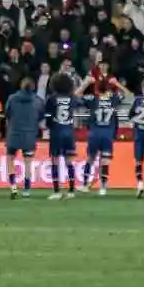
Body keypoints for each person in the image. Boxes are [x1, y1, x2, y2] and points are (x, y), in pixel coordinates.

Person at [84, 75, 128, 196]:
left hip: (94, 134)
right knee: (105, 161)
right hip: (108, 134)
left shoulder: (93, 98)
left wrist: (86, 83)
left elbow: (76, 95)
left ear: (97, 90)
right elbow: (129, 95)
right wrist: (117, 83)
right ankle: (103, 187)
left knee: (90, 159)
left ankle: (84, 184)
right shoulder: (113, 99)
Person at [4, 78, 43, 198]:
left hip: (13, 134)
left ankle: (13, 186)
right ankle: (26, 188)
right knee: (28, 162)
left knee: (10, 159)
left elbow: (7, 113)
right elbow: (41, 116)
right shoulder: (37, 100)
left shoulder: (12, 98)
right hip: (30, 135)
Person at [45, 72, 81, 200]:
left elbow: (48, 117)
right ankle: (71, 190)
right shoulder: (72, 97)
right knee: (69, 161)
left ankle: (56, 191)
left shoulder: (52, 98)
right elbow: (79, 105)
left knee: (55, 161)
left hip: (56, 132)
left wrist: (49, 126)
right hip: (69, 132)